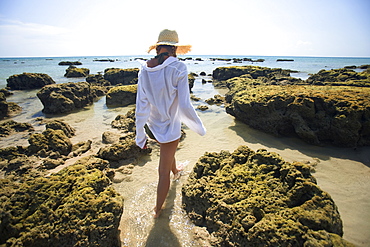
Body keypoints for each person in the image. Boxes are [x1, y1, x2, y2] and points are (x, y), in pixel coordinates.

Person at [135, 29, 206, 218]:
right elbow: (184, 104)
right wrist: (199, 127)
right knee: (162, 172)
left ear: (157, 48)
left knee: (168, 155)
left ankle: (177, 171)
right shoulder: (179, 68)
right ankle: (157, 211)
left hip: (152, 127)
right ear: (175, 49)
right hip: (170, 127)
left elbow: (141, 105)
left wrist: (140, 133)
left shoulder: (144, 69)